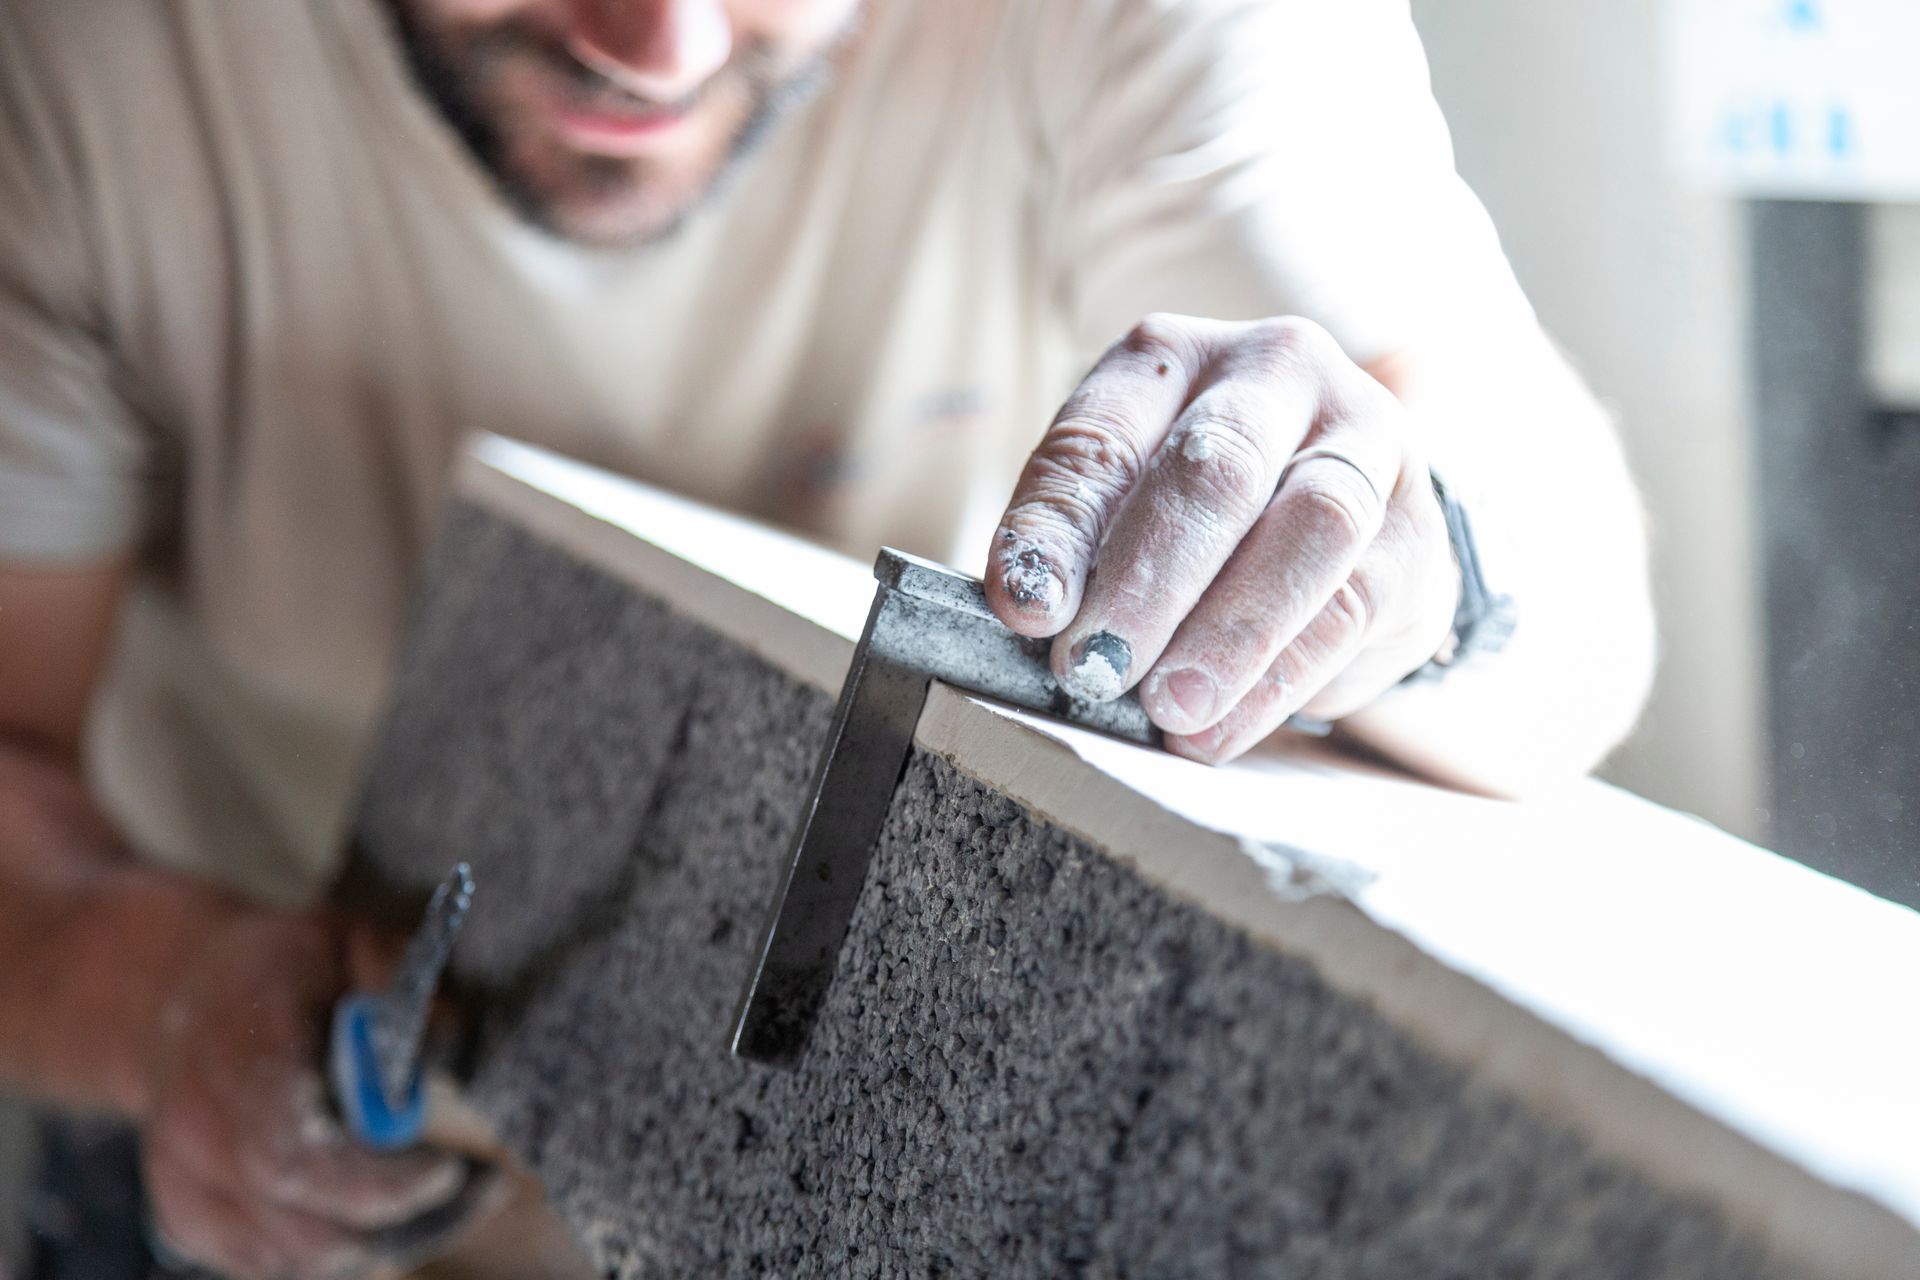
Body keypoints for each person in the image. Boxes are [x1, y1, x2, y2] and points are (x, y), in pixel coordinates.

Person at [0, 0, 1656, 1274]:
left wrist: (1419, 553)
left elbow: (1568, 592)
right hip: (221, 1107)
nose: (661, 46)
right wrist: (168, 1000)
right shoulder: (73, 65)